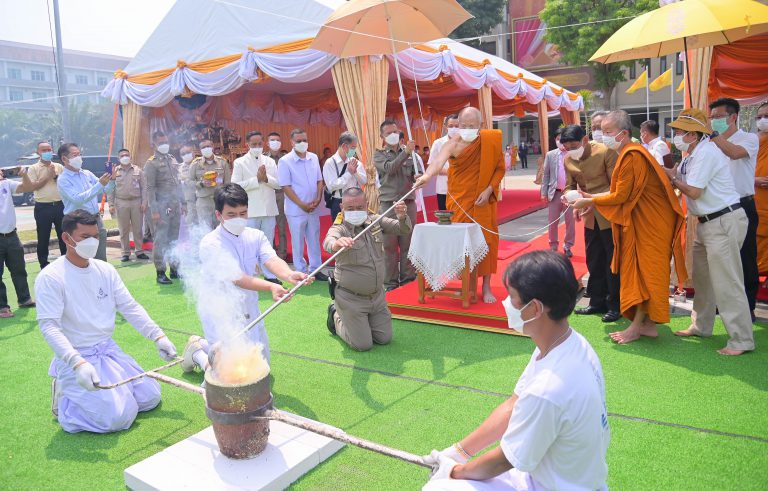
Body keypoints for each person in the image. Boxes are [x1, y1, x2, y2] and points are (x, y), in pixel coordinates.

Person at [423, 250, 609, 491]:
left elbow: (505, 460)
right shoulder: (567, 343)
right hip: (547, 476)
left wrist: (453, 472)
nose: (506, 304)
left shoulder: (548, 389)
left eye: (512, 297)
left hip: (554, 486)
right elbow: (514, 404)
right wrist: (458, 452)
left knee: (438, 489)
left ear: (535, 308)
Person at [35, 210, 177, 433]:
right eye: (84, 237)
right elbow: (49, 326)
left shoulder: (105, 270)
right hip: (77, 356)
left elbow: (130, 307)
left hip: (107, 350)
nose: (92, 242)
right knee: (117, 419)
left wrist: (158, 336)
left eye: (95, 236)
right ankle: (66, 401)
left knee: (150, 397)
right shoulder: (51, 277)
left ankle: (109, 398)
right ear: (66, 238)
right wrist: (77, 363)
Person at [571, 110, 686, 344]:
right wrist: (589, 197)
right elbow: (620, 193)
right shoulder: (627, 152)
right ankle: (647, 324)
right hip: (643, 220)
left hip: (652, 223)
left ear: (624, 134)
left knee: (647, 273)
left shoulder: (633, 155)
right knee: (642, 271)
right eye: (601, 131)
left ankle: (636, 326)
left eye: (607, 132)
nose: (602, 136)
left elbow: (621, 195)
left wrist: (591, 200)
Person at [180, 184, 311, 370]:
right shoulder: (210, 243)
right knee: (231, 375)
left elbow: (271, 259)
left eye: (243, 213)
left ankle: (205, 349)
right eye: (231, 215)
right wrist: (271, 287)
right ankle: (198, 355)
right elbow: (236, 277)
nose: (239, 219)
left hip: (249, 307)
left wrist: (289, 274)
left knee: (261, 368)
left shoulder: (255, 235)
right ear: (219, 215)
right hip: (221, 311)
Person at [664, 109, 754, 355]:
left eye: (680, 131)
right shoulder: (692, 154)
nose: (676, 135)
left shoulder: (707, 153)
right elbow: (677, 176)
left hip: (723, 220)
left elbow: (693, 191)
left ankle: (742, 339)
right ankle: (701, 325)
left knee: (727, 282)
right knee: (702, 279)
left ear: (693, 134)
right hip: (706, 223)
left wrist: (672, 181)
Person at [415, 107, 506, 303]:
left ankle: (486, 286)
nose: (466, 129)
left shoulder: (490, 140)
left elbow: (499, 168)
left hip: (484, 201)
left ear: (480, 126)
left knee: (488, 243)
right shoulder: (453, 143)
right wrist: (427, 176)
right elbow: (437, 162)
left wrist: (489, 189)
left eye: (471, 126)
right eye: (463, 126)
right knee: (464, 245)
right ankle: (467, 285)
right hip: (460, 200)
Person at [323, 188, 411, 351]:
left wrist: (402, 217)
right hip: (351, 299)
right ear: (342, 207)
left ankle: (362, 322)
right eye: (350, 209)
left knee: (384, 339)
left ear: (367, 205)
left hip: (377, 297)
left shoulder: (374, 220)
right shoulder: (340, 228)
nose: (355, 212)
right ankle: (336, 316)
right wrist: (336, 244)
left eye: (359, 208)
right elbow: (329, 240)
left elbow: (402, 229)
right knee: (363, 345)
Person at [559, 125, 621, 322]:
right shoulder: (568, 158)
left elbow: (616, 187)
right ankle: (596, 301)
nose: (571, 149)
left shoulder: (606, 152)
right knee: (593, 259)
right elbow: (569, 184)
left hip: (609, 214)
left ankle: (615, 305)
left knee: (612, 261)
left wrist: (592, 201)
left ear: (585, 140)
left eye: (574, 145)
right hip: (589, 217)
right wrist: (569, 199)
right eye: (567, 147)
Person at [709, 98, 760, 321]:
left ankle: (748, 307)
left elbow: (735, 153)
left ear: (733, 117)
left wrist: (714, 138)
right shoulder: (710, 144)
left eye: (718, 117)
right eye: (711, 118)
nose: (714, 121)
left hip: (743, 205)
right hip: (717, 208)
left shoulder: (748, 138)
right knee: (721, 260)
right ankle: (723, 303)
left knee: (745, 258)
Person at [374, 119, 420, 291]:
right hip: (388, 205)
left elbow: (417, 172)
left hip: (408, 203)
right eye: (388, 133)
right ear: (382, 136)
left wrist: (418, 177)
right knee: (389, 246)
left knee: (408, 244)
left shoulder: (412, 155)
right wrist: (406, 152)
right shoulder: (379, 154)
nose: (393, 135)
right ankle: (390, 283)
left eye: (395, 131)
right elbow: (391, 168)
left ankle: (408, 280)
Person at [277, 128, 329, 281]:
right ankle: (301, 271)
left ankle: (316, 269)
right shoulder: (285, 161)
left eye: (304, 140)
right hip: (296, 209)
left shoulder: (313, 157)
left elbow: (319, 180)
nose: (302, 143)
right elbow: (285, 186)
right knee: (298, 241)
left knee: (314, 238)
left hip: (313, 207)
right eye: (298, 141)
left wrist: (318, 198)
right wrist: (301, 204)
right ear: (292, 143)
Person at [232, 130, 281, 283]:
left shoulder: (270, 161)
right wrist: (256, 180)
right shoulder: (240, 162)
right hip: (250, 210)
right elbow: (235, 185)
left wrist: (265, 178)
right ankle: (249, 275)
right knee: (248, 244)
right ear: (247, 144)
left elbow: (279, 184)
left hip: (268, 209)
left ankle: (270, 274)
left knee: (268, 244)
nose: (257, 146)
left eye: (260, 144)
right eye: (254, 144)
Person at [56, 143, 116, 261]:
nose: (79, 158)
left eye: (79, 154)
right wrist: (100, 184)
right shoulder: (63, 179)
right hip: (78, 223)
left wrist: (112, 180)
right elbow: (78, 199)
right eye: (75, 155)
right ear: (64, 159)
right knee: (82, 258)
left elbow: (105, 189)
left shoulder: (87, 173)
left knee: (100, 258)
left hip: (96, 220)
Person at [144, 131, 185, 285]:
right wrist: (154, 211)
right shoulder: (151, 163)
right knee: (161, 240)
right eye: (161, 142)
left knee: (174, 239)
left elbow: (178, 183)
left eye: (165, 141)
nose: (164, 145)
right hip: (161, 207)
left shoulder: (172, 159)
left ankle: (175, 269)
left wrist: (184, 203)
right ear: (154, 144)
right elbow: (150, 189)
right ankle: (160, 271)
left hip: (174, 205)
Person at [0, 167, 35, 318]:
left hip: (12, 236)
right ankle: (2, 307)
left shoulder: (6, 184)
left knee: (19, 269)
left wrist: (24, 175)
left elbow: (27, 187)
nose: (1, 173)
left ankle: (24, 298)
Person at [26, 141, 66, 268]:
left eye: (49, 149)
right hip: (43, 207)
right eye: (44, 150)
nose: (47, 152)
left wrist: (55, 177)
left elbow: (65, 183)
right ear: (38, 152)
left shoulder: (58, 166)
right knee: (43, 237)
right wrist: (48, 176)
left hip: (60, 205)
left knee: (64, 235)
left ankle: (67, 259)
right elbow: (33, 186)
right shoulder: (33, 168)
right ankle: (44, 263)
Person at [108, 149, 149, 262]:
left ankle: (139, 251)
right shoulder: (114, 171)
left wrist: (144, 202)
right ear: (118, 158)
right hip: (121, 202)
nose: (125, 157)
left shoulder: (138, 170)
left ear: (130, 156)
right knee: (123, 229)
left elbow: (144, 188)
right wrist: (110, 204)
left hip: (136, 202)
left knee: (138, 228)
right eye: (122, 155)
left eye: (127, 155)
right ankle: (125, 253)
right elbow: (110, 189)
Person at [540, 129, 575, 257]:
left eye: (563, 138)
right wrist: (543, 192)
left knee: (570, 222)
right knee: (553, 221)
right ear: (555, 140)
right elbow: (546, 175)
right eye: (558, 138)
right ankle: (553, 246)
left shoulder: (572, 153)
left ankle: (568, 246)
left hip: (569, 192)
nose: (560, 141)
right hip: (555, 193)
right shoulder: (550, 155)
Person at [323, 131, 367, 222]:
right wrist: (349, 173)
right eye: (353, 148)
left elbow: (364, 181)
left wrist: (355, 173)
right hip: (339, 202)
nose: (354, 151)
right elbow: (332, 185)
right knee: (341, 232)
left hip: (356, 201)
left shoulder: (355, 162)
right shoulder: (330, 163)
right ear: (343, 146)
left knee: (357, 231)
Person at [190, 139, 231, 229]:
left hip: (219, 201)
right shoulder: (196, 164)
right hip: (203, 202)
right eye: (203, 147)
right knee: (205, 230)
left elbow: (228, 183)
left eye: (208, 146)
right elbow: (189, 182)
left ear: (212, 146)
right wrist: (201, 183)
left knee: (221, 230)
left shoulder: (222, 162)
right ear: (200, 150)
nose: (206, 149)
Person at [428, 114, 460, 211]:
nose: (454, 128)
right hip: (443, 188)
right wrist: (450, 172)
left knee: (462, 219)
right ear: (445, 127)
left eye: (457, 126)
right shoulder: (438, 143)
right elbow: (432, 165)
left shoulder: (466, 142)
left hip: (463, 188)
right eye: (451, 126)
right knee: (445, 218)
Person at [266, 132, 288, 260]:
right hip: (268, 194)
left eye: (278, 140)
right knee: (269, 225)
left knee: (281, 225)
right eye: (272, 140)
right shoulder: (263, 158)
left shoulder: (285, 158)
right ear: (267, 143)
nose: (275, 142)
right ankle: (271, 251)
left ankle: (283, 253)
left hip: (281, 194)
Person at [756, 102, 768, 274]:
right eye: (759, 117)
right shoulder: (752, 141)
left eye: (766, 116)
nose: (763, 120)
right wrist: (754, 180)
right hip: (756, 198)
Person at [178, 144, 198, 228]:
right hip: (188, 202)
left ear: (193, 153)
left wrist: (186, 180)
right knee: (191, 224)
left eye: (188, 152)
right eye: (183, 154)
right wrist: (182, 204)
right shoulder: (178, 168)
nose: (186, 155)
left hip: (202, 199)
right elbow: (178, 188)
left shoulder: (201, 165)